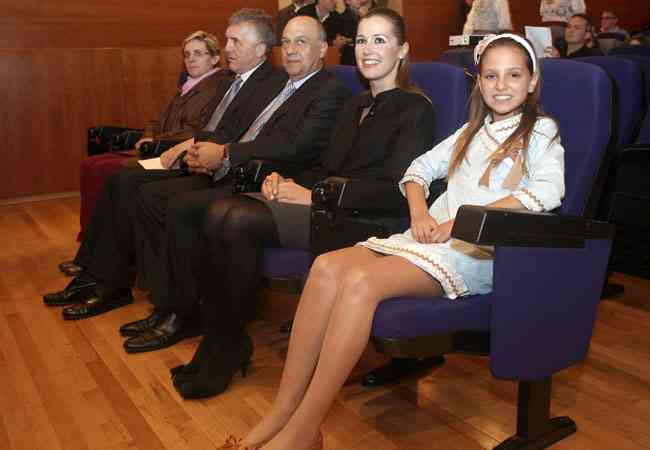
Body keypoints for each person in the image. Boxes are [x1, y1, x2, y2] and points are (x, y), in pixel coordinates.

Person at [236, 33, 565, 450]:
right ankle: (282, 411)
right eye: (491, 76)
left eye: (513, 75)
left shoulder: (541, 131)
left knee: (360, 282)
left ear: (532, 81)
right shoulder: (471, 131)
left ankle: (305, 428)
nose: (501, 85)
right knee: (325, 267)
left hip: (479, 251)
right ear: (479, 82)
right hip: (432, 239)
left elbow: (547, 192)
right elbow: (417, 170)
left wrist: (460, 222)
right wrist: (420, 213)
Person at [166, 8, 434, 402]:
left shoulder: (415, 108)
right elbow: (326, 166)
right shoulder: (355, 105)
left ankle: (226, 348)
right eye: (362, 40)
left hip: (367, 220)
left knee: (234, 217)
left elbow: (396, 191)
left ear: (403, 49)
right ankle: (222, 343)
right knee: (221, 213)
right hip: (328, 206)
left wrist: (316, 194)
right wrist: (287, 181)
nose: (367, 49)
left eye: (380, 40)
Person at [115, 15, 350, 353]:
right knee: (156, 195)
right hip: (242, 167)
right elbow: (247, 129)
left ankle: (183, 314)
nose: (291, 50)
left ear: (323, 49)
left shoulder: (329, 90)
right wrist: (207, 149)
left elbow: (296, 147)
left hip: (272, 180)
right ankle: (171, 306)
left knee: (181, 207)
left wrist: (226, 153)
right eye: (286, 42)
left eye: (301, 42)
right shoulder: (284, 84)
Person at [42, 9, 287, 316]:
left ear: (261, 49)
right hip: (199, 157)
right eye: (227, 40)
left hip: (222, 167)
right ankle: (99, 278)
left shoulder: (269, 83)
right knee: (120, 180)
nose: (227, 49)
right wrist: (190, 145)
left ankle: (134, 290)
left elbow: (236, 135)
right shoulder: (232, 81)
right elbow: (211, 129)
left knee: (143, 190)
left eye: (235, 41)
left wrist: (194, 147)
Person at [76, 31, 224, 239]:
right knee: (91, 164)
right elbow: (157, 121)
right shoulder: (186, 86)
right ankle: (92, 237)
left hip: (175, 152)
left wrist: (156, 140)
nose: (191, 59)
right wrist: (147, 135)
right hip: (156, 146)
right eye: (187, 54)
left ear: (215, 58)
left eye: (198, 53)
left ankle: (110, 241)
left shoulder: (217, 87)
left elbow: (196, 130)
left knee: (107, 171)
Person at [338, 0, 376, 65]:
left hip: (368, 56)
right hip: (348, 57)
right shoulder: (351, 11)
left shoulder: (378, 13)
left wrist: (365, 17)